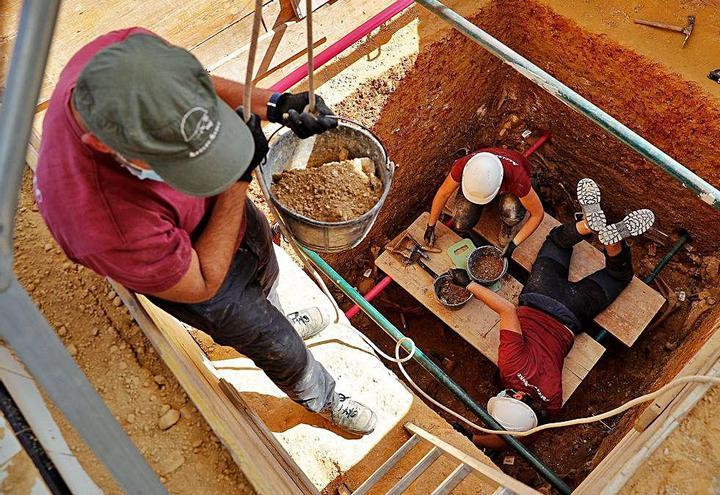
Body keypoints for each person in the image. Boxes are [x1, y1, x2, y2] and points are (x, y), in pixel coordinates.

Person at [34, 28, 377, 435]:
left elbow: (198, 85)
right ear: (107, 147)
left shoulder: (120, 57)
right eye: (175, 160)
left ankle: (281, 313)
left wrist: (276, 104)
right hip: (202, 277)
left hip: (220, 209)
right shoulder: (102, 223)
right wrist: (237, 178)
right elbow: (204, 283)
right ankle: (323, 398)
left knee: (267, 272)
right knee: (278, 347)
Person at [449, 178, 654, 437]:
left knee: (617, 276)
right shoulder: (511, 368)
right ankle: (589, 225)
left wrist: (474, 439)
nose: (503, 392)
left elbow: (516, 435)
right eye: (506, 395)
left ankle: (614, 242)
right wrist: (468, 284)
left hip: (574, 312)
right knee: (558, 241)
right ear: (517, 395)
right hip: (540, 294)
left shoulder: (552, 402)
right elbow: (507, 311)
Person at [425, 148, 545, 258]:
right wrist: (431, 226)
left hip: (513, 187)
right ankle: (479, 199)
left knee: (511, 213)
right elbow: (443, 193)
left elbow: (537, 214)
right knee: (461, 223)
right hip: (487, 183)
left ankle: (508, 226)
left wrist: (514, 244)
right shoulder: (465, 164)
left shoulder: (517, 178)